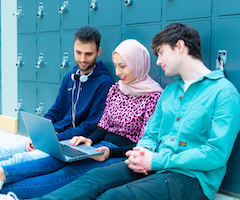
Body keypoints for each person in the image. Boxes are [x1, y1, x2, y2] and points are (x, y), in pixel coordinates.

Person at [33, 23, 240, 200]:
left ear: (179, 46)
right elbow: (150, 135)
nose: (157, 62)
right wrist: (141, 153)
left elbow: (216, 154)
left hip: (190, 178)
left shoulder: (223, 93)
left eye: (160, 53)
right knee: (91, 181)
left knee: (113, 196)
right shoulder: (169, 92)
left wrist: (155, 160)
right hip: (152, 164)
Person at [0, 39, 163, 198]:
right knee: (56, 159)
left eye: (123, 66)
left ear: (138, 64)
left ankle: (9, 192)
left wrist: (110, 152)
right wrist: (89, 141)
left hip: (120, 153)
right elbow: (103, 126)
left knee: (67, 174)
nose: (118, 72)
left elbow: (146, 144)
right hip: (100, 145)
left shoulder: (154, 97)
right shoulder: (117, 89)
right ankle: (3, 174)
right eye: (115, 66)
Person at [0, 25, 113, 167]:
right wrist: (38, 134)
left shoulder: (104, 83)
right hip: (54, 138)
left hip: (71, 142)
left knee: (19, 160)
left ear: (98, 52)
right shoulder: (69, 78)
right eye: (78, 52)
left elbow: (89, 127)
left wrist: (49, 140)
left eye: (88, 54)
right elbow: (56, 111)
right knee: (7, 150)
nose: (82, 59)